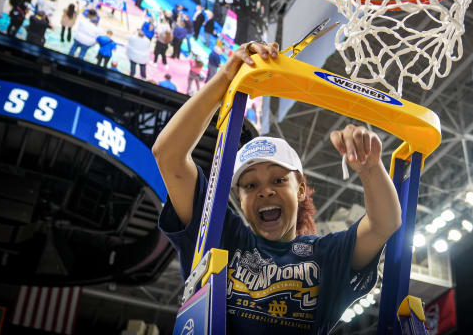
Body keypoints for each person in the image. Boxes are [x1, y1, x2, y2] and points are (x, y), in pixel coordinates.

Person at [153, 42, 399, 333]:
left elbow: (385, 223)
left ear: (301, 189)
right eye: (250, 184)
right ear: (238, 198)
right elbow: (167, 156)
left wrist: (371, 169)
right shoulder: (222, 236)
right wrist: (224, 79)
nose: (265, 191)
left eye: (279, 180)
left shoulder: (325, 255)